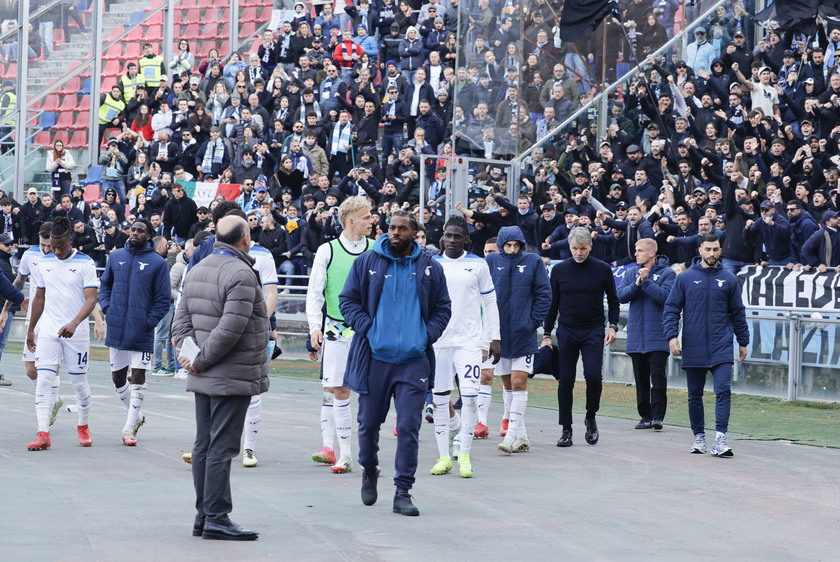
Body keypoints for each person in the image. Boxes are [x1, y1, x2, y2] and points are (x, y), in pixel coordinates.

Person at [339, 211, 451, 516]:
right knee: (368, 424)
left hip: (414, 361)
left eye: (403, 229)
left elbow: (443, 307)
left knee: (408, 427)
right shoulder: (367, 262)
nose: (396, 233)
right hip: (376, 359)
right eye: (392, 228)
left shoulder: (429, 266)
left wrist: (425, 335)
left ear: (414, 233)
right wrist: (368, 328)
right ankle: (369, 469)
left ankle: (403, 491)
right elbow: (347, 300)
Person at [172, 215, 268, 541]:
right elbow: (231, 329)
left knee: (204, 444)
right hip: (230, 373)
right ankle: (216, 517)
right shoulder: (242, 273)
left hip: (206, 371)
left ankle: (204, 516)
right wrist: (199, 359)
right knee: (221, 448)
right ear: (244, 239)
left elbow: (180, 321)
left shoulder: (197, 268)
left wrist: (190, 356)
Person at [663, 233, 750, 457]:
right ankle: (699, 437)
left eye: (716, 249)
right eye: (708, 249)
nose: (712, 254)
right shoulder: (685, 277)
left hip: (721, 344)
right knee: (694, 395)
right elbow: (671, 308)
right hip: (693, 344)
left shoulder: (729, 278)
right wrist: (672, 336)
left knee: (723, 391)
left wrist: (743, 341)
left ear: (720, 251)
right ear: (700, 250)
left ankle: (720, 439)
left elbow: (738, 312)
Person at [306, 196, 374, 474]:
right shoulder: (327, 251)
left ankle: (369, 455)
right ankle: (344, 454)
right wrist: (314, 326)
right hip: (337, 328)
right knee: (340, 390)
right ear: (352, 221)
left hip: (369, 330)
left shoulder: (376, 248)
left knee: (372, 394)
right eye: (367, 217)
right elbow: (315, 292)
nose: (372, 221)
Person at [429, 216, 500, 477]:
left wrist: (495, 338)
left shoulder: (478, 265)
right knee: (440, 400)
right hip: (438, 341)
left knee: (470, 398)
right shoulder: (432, 264)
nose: (452, 240)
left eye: (458, 236)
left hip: (469, 341)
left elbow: (490, 303)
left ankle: (466, 454)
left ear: (466, 239)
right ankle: (443, 457)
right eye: (448, 235)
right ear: (442, 236)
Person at [25, 218, 100, 451]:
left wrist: (75, 323)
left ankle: (83, 425)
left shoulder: (86, 263)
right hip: (48, 331)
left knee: (79, 384)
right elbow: (39, 298)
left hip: (75, 334)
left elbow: (91, 299)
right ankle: (43, 433)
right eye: (52, 247)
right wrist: (31, 329)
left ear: (70, 240)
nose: (56, 251)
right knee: (44, 380)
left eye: (60, 246)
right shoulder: (44, 263)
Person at [545, 227, 620, 448]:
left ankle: (591, 416)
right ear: (569, 247)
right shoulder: (559, 271)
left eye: (583, 249)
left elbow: (614, 301)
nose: (579, 253)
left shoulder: (602, 269)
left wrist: (613, 326)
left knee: (594, 376)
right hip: (567, 330)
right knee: (565, 380)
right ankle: (566, 429)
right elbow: (553, 304)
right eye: (575, 248)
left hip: (593, 330)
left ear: (590, 247)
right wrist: (547, 334)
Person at [99, 219, 171, 446]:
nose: (135, 233)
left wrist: (148, 322)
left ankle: (129, 428)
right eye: (133, 230)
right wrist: (108, 309)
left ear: (149, 236)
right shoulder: (116, 256)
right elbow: (105, 285)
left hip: (141, 331)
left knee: (138, 378)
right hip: (117, 327)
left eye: (140, 231)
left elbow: (163, 300)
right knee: (117, 379)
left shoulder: (158, 263)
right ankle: (137, 416)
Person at [485, 226, 550, 454]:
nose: (512, 249)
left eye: (516, 245)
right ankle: (522, 436)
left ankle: (511, 435)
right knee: (507, 386)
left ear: (522, 244)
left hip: (524, 336)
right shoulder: (491, 261)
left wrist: (531, 323)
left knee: (519, 384)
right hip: (498, 338)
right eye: (508, 245)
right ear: (502, 245)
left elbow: (544, 294)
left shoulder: (533, 261)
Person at [616, 238, 675, 431]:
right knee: (640, 380)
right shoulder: (631, 272)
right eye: (635, 250)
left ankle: (658, 416)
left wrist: (647, 281)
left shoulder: (667, 273)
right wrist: (637, 284)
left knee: (657, 378)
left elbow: (666, 298)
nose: (636, 254)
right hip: (636, 337)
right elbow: (620, 296)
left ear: (651, 253)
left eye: (639, 250)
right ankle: (645, 416)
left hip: (658, 336)